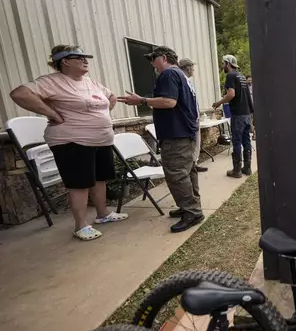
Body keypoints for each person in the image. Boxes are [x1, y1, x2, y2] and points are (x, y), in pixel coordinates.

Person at [9, 45, 128, 241]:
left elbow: (111, 96)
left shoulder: (91, 82)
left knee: (99, 178)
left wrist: (102, 115)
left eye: (86, 57)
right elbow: (19, 94)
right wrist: (52, 113)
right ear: (65, 61)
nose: (85, 61)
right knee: (78, 184)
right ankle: (81, 225)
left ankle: (103, 214)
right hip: (72, 141)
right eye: (79, 57)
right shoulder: (52, 82)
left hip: (101, 139)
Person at [118, 46, 203, 233]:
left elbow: (168, 102)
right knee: (188, 172)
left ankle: (192, 212)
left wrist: (141, 100)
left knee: (177, 175)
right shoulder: (181, 75)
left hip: (176, 134)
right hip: (186, 132)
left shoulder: (168, 75)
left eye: (153, 59)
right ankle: (190, 206)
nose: (151, 64)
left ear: (164, 58)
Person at [212, 55, 254, 178]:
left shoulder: (231, 76)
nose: (222, 66)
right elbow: (248, 98)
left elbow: (231, 94)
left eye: (223, 63)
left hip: (238, 116)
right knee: (246, 141)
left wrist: (218, 103)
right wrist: (251, 118)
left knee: (236, 142)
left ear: (228, 64)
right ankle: (247, 168)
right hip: (246, 115)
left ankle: (236, 171)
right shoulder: (241, 76)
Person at [178, 58, 208, 173]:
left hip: (194, 118)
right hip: (190, 120)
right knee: (192, 144)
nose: (193, 69)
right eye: (192, 66)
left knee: (197, 143)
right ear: (187, 67)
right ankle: (191, 166)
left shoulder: (188, 82)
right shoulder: (183, 81)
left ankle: (195, 164)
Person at [246, 74, 256, 140]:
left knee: (253, 121)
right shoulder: (245, 88)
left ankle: (254, 134)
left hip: (254, 106)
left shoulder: (253, 86)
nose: (250, 81)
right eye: (248, 80)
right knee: (250, 121)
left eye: (251, 80)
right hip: (248, 106)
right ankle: (254, 134)